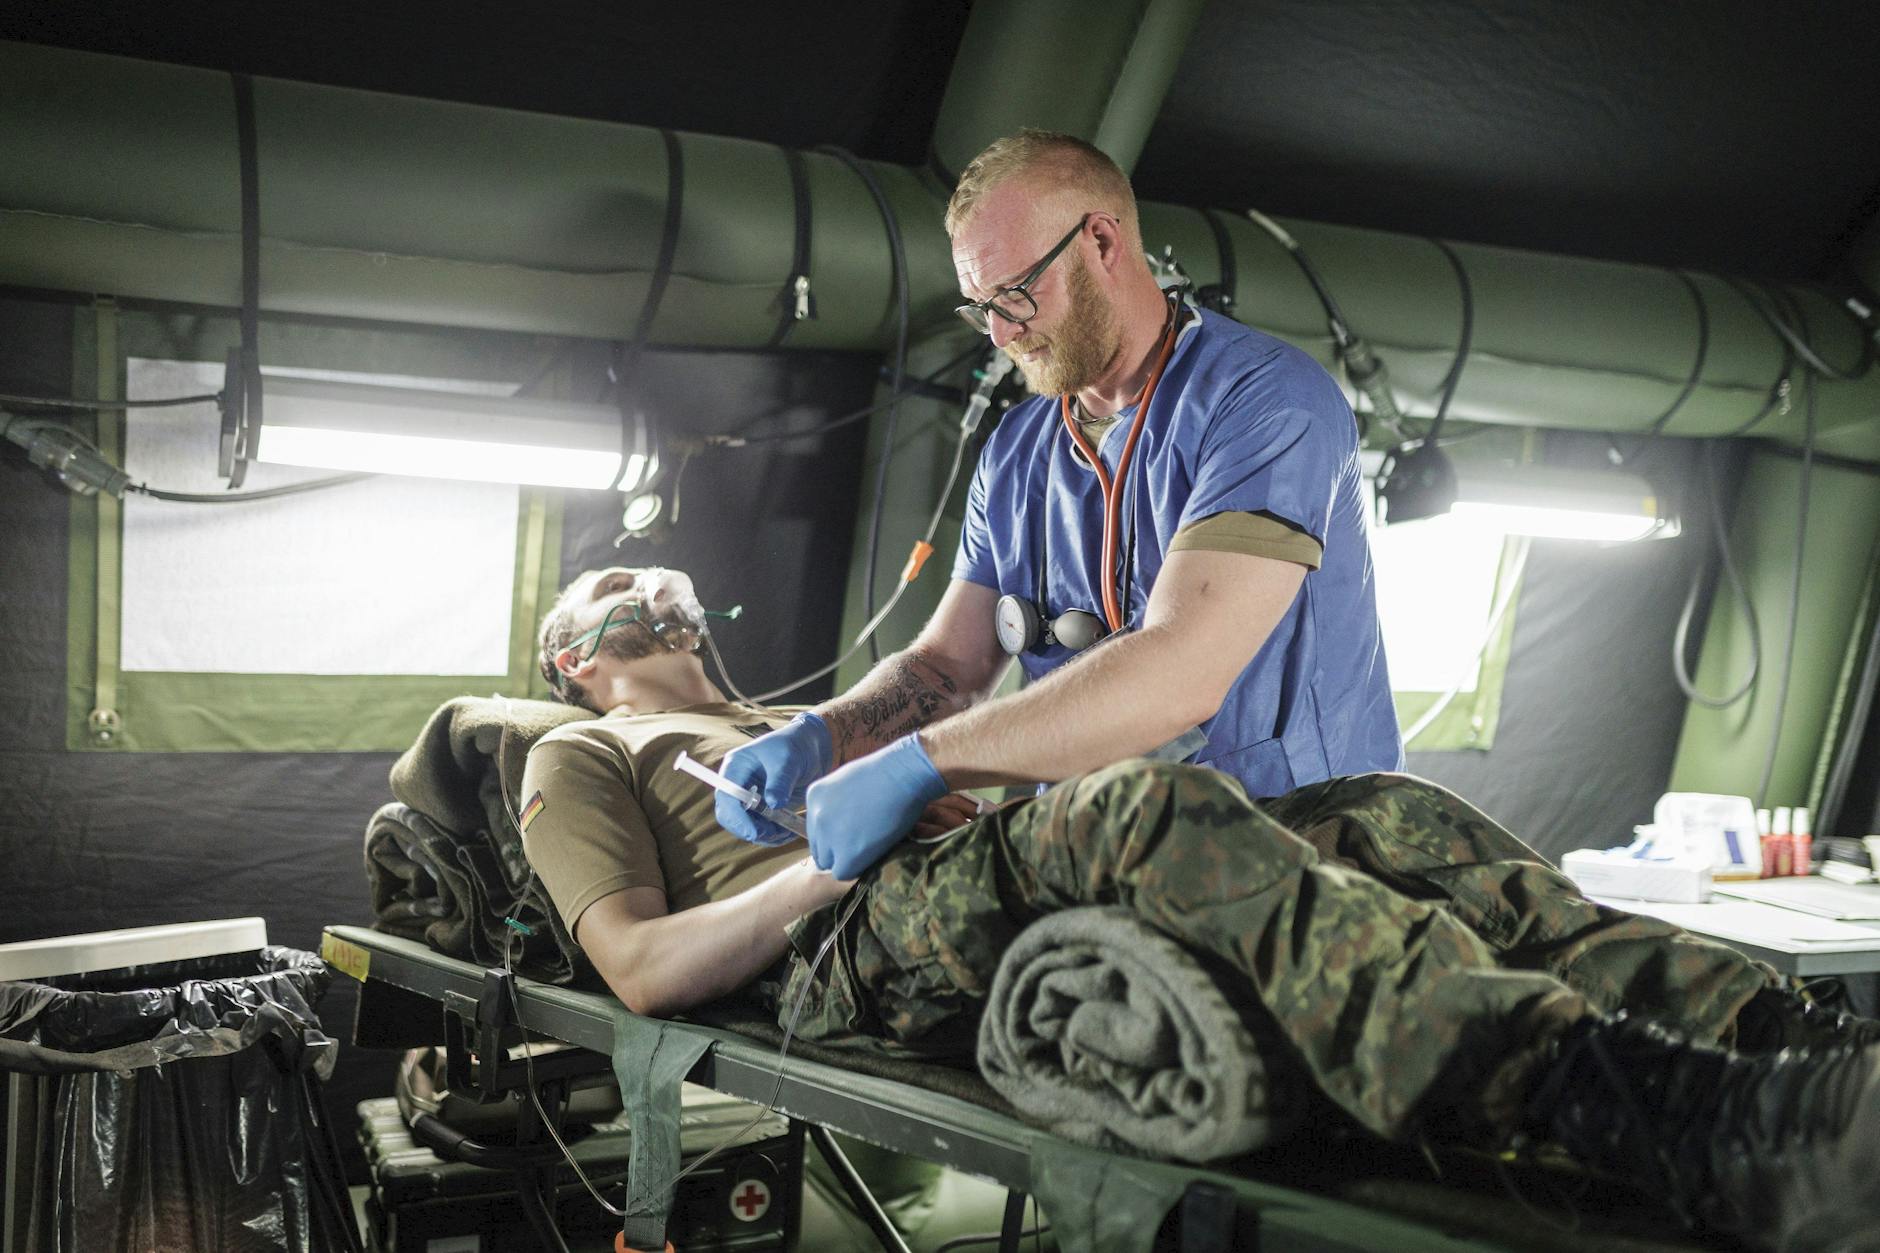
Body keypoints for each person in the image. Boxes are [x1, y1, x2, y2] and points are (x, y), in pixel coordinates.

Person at [524, 564, 1880, 1252]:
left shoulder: (802, 723)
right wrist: (836, 847)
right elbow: (639, 968)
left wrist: (880, 765)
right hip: (836, 945)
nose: (657, 586)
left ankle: (1779, 1047)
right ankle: (1648, 1114)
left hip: (969, 873)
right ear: (579, 659)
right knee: (1129, 806)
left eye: (669, 584)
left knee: (1376, 808)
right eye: (614, 590)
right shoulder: (573, 754)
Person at [715, 129, 1401, 885]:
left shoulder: (1265, 402)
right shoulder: (1017, 449)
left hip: (1301, 851)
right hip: (1104, 851)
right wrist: (824, 734)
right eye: (982, 309)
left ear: (1102, 242)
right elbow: (948, 667)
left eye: (1015, 293)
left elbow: (1180, 670)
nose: (1003, 334)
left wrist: (919, 766)